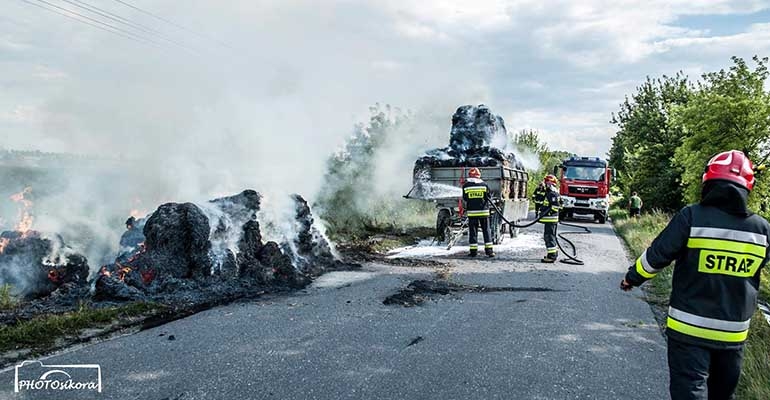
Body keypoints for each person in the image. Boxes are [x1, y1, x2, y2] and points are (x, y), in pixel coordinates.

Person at [620, 150, 769, 400]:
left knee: (690, 390)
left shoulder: (692, 216)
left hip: (689, 328)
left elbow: (658, 255)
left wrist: (632, 278)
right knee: (722, 394)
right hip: (733, 334)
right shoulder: (762, 230)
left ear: (708, 181)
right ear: (748, 187)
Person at [462, 167, 494, 257]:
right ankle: (489, 251)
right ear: (478, 176)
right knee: (486, 231)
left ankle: (473, 252)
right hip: (484, 212)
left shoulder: (466, 186)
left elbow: (465, 198)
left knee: (473, 232)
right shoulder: (484, 185)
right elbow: (488, 197)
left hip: (472, 212)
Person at [539, 174, 561, 263]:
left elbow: (555, 207)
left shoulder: (552, 194)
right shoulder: (551, 193)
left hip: (550, 219)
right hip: (551, 219)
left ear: (550, 183)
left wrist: (546, 212)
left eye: (546, 182)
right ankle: (553, 253)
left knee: (549, 237)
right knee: (551, 236)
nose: (545, 184)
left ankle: (551, 256)